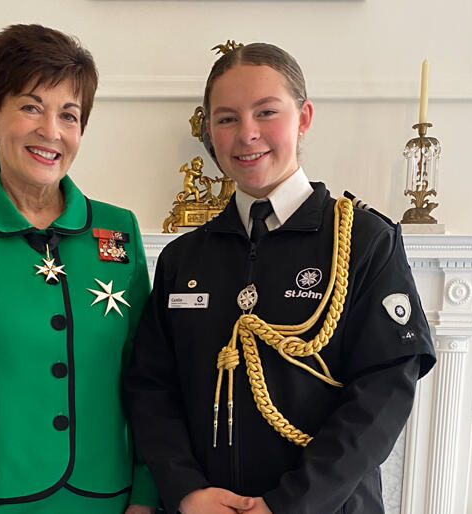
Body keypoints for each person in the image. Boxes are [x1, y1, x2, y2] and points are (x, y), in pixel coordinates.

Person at [125, 43, 436, 514]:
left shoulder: (365, 240)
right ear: (209, 131)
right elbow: (151, 387)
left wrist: (290, 505)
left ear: (303, 116)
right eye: (226, 118)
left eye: (266, 112)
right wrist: (185, 489)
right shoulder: (182, 259)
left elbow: (384, 391)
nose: (247, 134)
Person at [0, 24, 158, 514]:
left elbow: (145, 376)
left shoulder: (117, 229)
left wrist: (146, 495)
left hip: (109, 501)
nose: (51, 131)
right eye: (31, 106)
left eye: (70, 114)